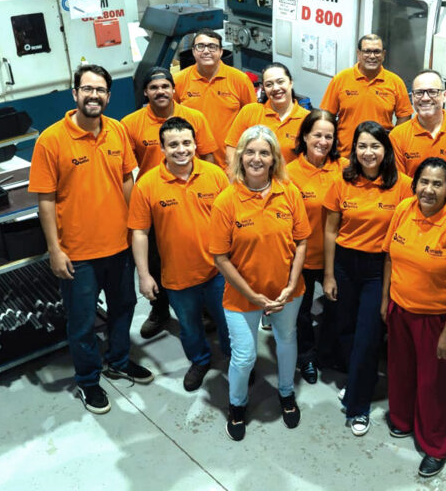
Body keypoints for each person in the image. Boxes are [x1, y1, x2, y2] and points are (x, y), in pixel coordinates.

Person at [29, 64, 153, 415]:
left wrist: (136, 229)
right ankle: (88, 380)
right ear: (75, 94)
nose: (93, 95)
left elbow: (127, 181)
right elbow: (45, 200)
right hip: (78, 253)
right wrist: (54, 249)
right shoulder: (51, 139)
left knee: (123, 308)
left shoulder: (117, 131)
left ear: (108, 96)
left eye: (100, 90)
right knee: (82, 322)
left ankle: (118, 360)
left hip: (119, 246)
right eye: (87, 89)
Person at [209, 125, 311, 441]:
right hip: (242, 296)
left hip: (286, 293)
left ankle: (286, 393)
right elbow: (220, 257)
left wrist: (291, 285)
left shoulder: (289, 192)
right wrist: (252, 295)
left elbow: (302, 242)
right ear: (240, 157)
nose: (257, 158)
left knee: (286, 340)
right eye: (250, 152)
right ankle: (237, 404)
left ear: (273, 158)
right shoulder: (226, 201)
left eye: (264, 153)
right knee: (244, 356)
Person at [381, 158, 446, 478]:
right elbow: (389, 257)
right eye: (424, 181)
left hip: (435, 319)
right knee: (401, 371)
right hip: (400, 309)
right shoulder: (404, 210)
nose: (429, 189)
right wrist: (386, 300)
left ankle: (436, 445)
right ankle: (402, 419)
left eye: (438, 184)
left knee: (434, 385)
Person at [322, 120, 413, 436]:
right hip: (345, 264)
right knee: (346, 329)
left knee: (368, 335)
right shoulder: (342, 181)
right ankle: (360, 379)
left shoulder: (402, 185)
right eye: (362, 146)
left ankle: (358, 408)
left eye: (375, 146)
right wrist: (329, 275)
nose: (368, 152)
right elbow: (330, 230)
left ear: (385, 150)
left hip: (379, 268)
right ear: (354, 150)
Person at [128, 117, 230, 392]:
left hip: (219, 272)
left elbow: (232, 221)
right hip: (177, 276)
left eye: (186, 142)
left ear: (195, 144)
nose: (181, 149)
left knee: (229, 323)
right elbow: (139, 233)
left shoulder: (215, 175)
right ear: (162, 148)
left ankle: (236, 361)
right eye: (173, 145)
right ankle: (200, 361)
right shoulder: (147, 184)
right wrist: (144, 275)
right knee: (189, 326)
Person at [123, 66, 219, 339]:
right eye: (154, 87)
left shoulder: (194, 117)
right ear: (145, 92)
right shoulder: (130, 123)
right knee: (156, 261)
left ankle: (204, 308)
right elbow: (125, 166)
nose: (160, 91)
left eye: (165, 86)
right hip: (153, 202)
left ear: (174, 89)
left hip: (193, 197)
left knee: (199, 255)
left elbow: (208, 157)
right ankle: (159, 309)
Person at [286, 110, 349, 384]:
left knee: (337, 309)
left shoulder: (345, 168)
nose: (323, 142)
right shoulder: (289, 173)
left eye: (329, 136)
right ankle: (307, 357)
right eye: (317, 135)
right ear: (304, 136)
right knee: (301, 314)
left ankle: (329, 352)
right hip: (302, 257)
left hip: (337, 257)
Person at [174, 28, 256, 169]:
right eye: (200, 46)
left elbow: (253, 120)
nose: (206, 51)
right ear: (193, 51)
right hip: (190, 165)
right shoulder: (178, 81)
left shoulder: (239, 80)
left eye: (212, 46)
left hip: (232, 165)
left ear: (221, 52)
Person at [320, 34, 412, 155]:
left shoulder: (395, 82)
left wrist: (392, 142)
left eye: (377, 52)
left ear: (383, 54)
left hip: (379, 155)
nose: (372, 56)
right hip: (345, 154)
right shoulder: (341, 79)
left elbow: (404, 116)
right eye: (367, 51)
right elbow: (327, 115)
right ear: (358, 53)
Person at [389, 69, 446, 177]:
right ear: (412, 97)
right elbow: (399, 182)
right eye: (419, 93)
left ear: (444, 95)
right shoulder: (397, 136)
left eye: (432, 92)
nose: (425, 98)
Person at [225, 62, 309, 166]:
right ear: (264, 88)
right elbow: (232, 148)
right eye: (269, 84)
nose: (275, 88)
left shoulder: (307, 119)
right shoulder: (250, 111)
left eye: (280, 82)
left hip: (289, 176)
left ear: (290, 83)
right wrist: (239, 173)